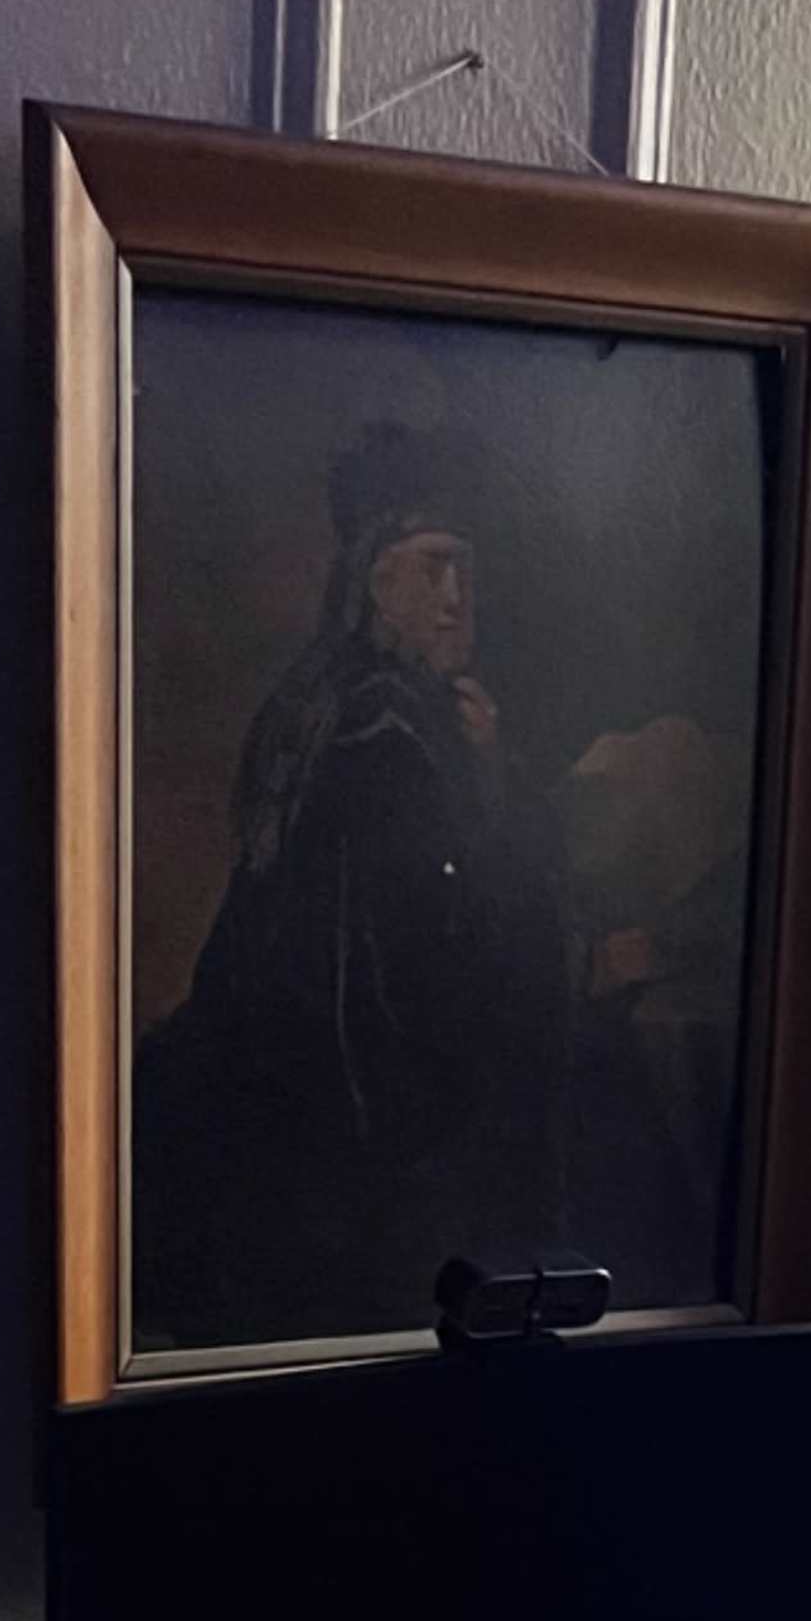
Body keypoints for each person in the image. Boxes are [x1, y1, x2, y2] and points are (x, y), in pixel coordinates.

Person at [131, 426, 572, 1347]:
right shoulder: (378, 731)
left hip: (305, 1082)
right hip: (338, 1111)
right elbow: (424, 957)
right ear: (374, 585)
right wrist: (490, 788)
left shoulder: (330, 699)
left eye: (467, 574)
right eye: (433, 571)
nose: (459, 602)